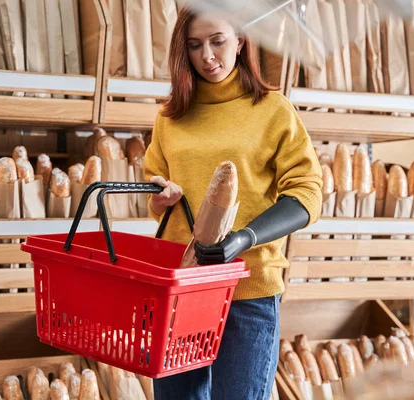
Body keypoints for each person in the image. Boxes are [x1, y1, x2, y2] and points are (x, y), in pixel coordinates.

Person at [143, 6, 323, 400]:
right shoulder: (170, 117)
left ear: (241, 41)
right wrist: (160, 197)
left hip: (248, 290)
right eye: (194, 45)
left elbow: (307, 193)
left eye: (218, 41)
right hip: (181, 288)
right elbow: (153, 192)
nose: (207, 56)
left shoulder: (273, 110)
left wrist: (244, 238)